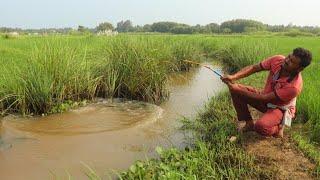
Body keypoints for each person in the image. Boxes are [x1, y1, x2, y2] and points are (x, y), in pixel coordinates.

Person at [221, 47, 312, 137]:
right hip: (266, 97)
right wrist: (234, 77)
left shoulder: (294, 86)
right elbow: (254, 68)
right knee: (236, 91)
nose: (287, 61)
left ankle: (278, 129)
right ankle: (249, 123)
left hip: (279, 107)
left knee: (261, 127)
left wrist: (238, 89)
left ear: (299, 69)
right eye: (289, 57)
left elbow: (264, 99)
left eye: (292, 62)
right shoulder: (278, 60)